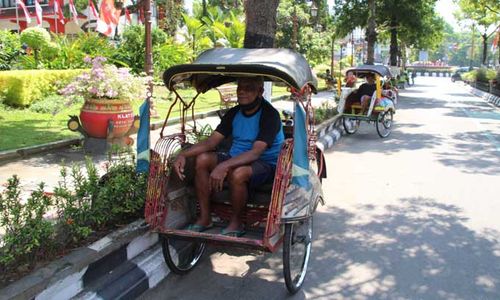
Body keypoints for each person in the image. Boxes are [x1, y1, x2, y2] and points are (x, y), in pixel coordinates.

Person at [173, 77, 284, 237]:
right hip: (236, 156)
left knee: (238, 173)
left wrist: (224, 166)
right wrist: (183, 154)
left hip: (265, 162)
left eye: (249, 88)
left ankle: (237, 222)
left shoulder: (269, 115)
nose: (242, 91)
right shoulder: (234, 113)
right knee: (202, 159)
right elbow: (212, 142)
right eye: (240, 87)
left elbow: (255, 152)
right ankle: (205, 218)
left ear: (260, 91)